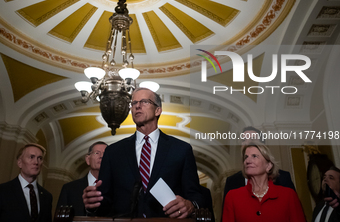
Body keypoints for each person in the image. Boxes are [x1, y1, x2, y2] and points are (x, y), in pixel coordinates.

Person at [83, 87, 203, 218]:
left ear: (158, 110)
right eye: (134, 103)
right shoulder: (113, 152)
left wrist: (190, 205)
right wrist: (92, 204)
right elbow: (105, 201)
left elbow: (196, 195)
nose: (137, 106)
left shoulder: (181, 149)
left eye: (144, 101)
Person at [222, 141, 305, 222]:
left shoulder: (288, 195)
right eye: (246, 157)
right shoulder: (232, 197)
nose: (248, 161)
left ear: (268, 166)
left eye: (254, 156)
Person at [223, 126, 295, 199]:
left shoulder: (283, 177)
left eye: (252, 139)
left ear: (262, 145)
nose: (247, 143)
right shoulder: (232, 181)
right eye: (244, 140)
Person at [0, 143, 52, 222]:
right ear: (20, 163)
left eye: (40, 158)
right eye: (31, 157)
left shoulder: (47, 196)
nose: (36, 162)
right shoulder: (3, 191)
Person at [56, 141, 107, 216]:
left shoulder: (117, 189)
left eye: (105, 153)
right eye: (97, 153)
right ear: (88, 159)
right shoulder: (69, 189)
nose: (101, 156)